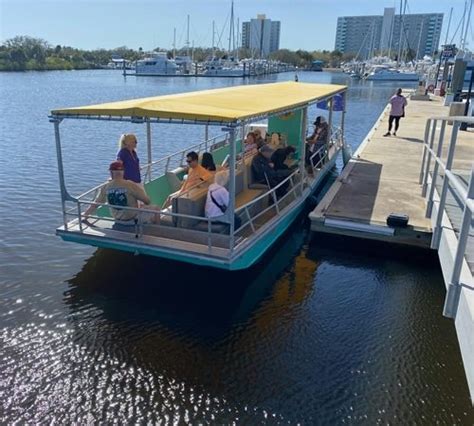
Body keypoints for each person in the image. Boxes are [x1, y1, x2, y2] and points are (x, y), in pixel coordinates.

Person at [83, 160, 160, 225]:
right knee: (156, 208)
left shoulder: (105, 187)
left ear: (111, 172)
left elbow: (95, 205)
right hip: (132, 220)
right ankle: (157, 229)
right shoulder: (130, 185)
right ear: (123, 172)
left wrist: (85, 216)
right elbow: (147, 201)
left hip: (117, 220)